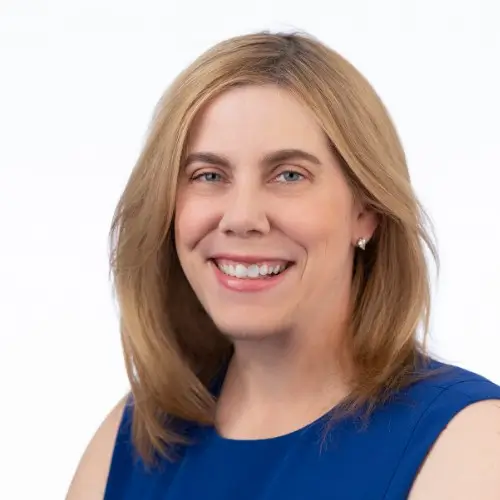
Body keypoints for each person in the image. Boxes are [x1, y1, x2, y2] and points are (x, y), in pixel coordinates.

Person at [66, 31, 500, 500]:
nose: (242, 218)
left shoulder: (468, 442)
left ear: (366, 209)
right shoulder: (133, 439)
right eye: (208, 175)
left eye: (289, 175)